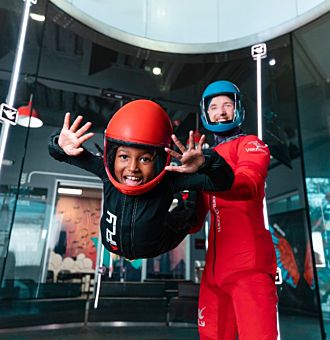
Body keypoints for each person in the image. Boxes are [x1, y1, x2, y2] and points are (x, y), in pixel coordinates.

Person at [48, 99, 234, 260]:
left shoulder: (169, 179)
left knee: (187, 216)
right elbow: (61, 154)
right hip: (110, 243)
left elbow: (223, 183)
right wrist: (59, 144)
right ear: (113, 158)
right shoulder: (106, 171)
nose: (132, 168)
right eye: (124, 157)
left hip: (158, 244)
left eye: (145, 159)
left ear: (159, 161)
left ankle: (190, 203)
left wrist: (207, 163)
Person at [192, 80, 278, 339]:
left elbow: (248, 184)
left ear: (238, 109)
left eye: (227, 105)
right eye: (214, 106)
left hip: (248, 267)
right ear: (206, 113)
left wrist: (206, 170)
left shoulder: (251, 144)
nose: (221, 111)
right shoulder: (203, 158)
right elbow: (194, 221)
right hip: (213, 273)